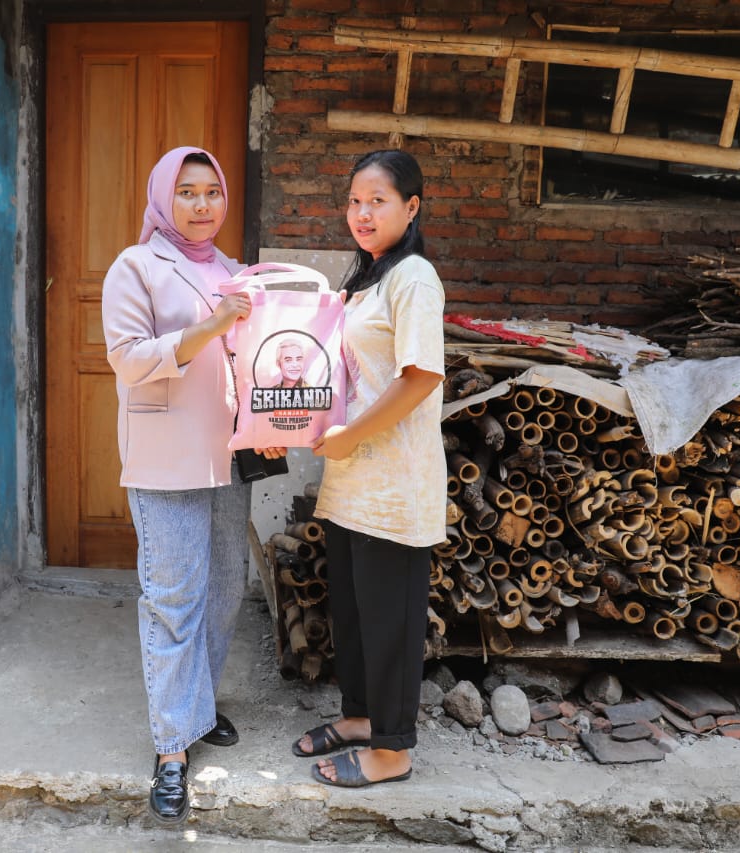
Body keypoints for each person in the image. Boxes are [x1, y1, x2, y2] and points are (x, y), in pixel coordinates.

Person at [101, 146, 255, 823]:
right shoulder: (134, 267)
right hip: (166, 459)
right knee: (173, 596)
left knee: (224, 588)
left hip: (228, 457)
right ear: (165, 198)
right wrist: (210, 328)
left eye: (211, 192)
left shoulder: (236, 271)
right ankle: (170, 750)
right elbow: (130, 360)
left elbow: (257, 360)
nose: (202, 205)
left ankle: (194, 706)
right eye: (187, 192)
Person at [285, 149, 446, 787]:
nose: (362, 212)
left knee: (391, 620)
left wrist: (351, 434)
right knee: (354, 612)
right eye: (354, 200)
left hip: (395, 482)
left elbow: (420, 377)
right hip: (355, 479)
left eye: (377, 200)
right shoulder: (371, 277)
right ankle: (360, 719)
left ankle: (393, 750)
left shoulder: (414, 279)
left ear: (411, 208)